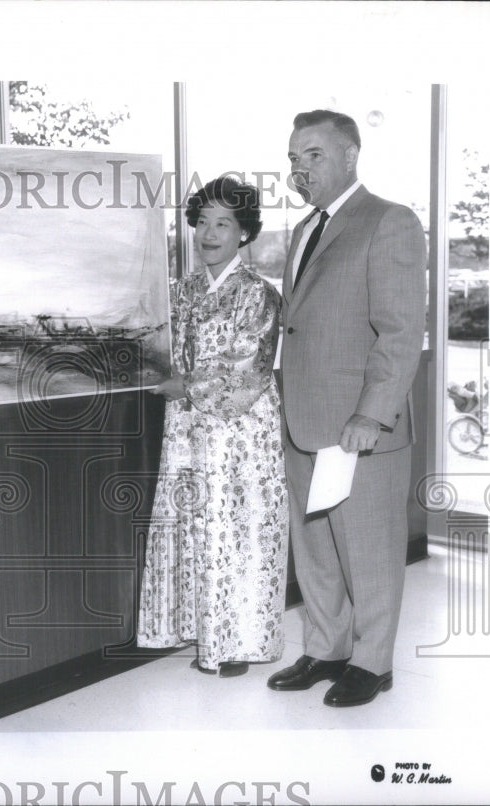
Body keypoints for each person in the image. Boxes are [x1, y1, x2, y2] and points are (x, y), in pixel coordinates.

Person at [267, 110, 426, 706]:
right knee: (315, 548)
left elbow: (400, 332)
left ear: (351, 155)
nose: (299, 168)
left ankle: (372, 663)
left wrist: (372, 413)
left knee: (369, 548)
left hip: (359, 426)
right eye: (293, 158)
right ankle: (326, 649)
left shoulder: (389, 220)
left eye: (313, 154)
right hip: (303, 418)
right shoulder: (304, 229)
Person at [137, 176, 289, 677]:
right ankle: (202, 631)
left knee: (234, 525)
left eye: (223, 224)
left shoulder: (258, 294)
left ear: (244, 232)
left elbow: (249, 365)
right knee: (193, 521)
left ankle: (237, 641)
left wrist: (186, 385)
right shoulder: (182, 291)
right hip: (187, 425)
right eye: (203, 222)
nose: (209, 233)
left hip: (240, 430)